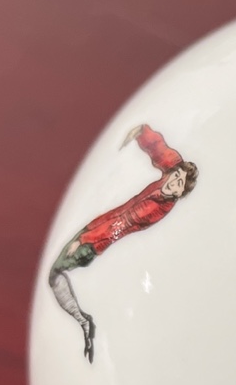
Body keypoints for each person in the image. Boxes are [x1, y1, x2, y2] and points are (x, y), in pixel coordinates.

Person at [48, 125, 197, 362]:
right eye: (175, 176)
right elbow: (164, 153)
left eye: (179, 184)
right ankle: (82, 321)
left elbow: (119, 226)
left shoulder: (157, 208)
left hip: (95, 243)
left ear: (180, 194)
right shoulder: (172, 173)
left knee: (55, 275)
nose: (173, 182)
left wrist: (85, 239)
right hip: (96, 226)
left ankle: (82, 321)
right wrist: (142, 133)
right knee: (54, 274)